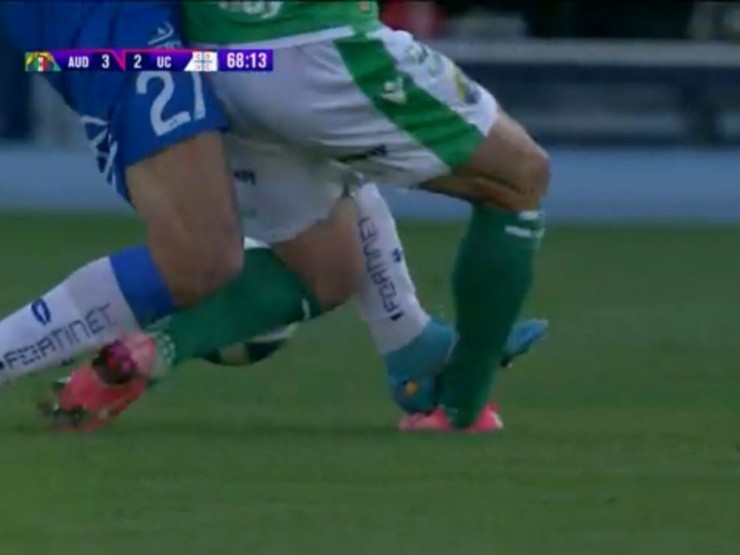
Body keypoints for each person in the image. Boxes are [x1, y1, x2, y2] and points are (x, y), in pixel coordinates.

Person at [53, 0, 549, 433]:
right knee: (519, 177)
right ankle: (461, 405)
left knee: (324, 269)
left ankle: (147, 352)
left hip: (221, 62)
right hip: (318, 46)